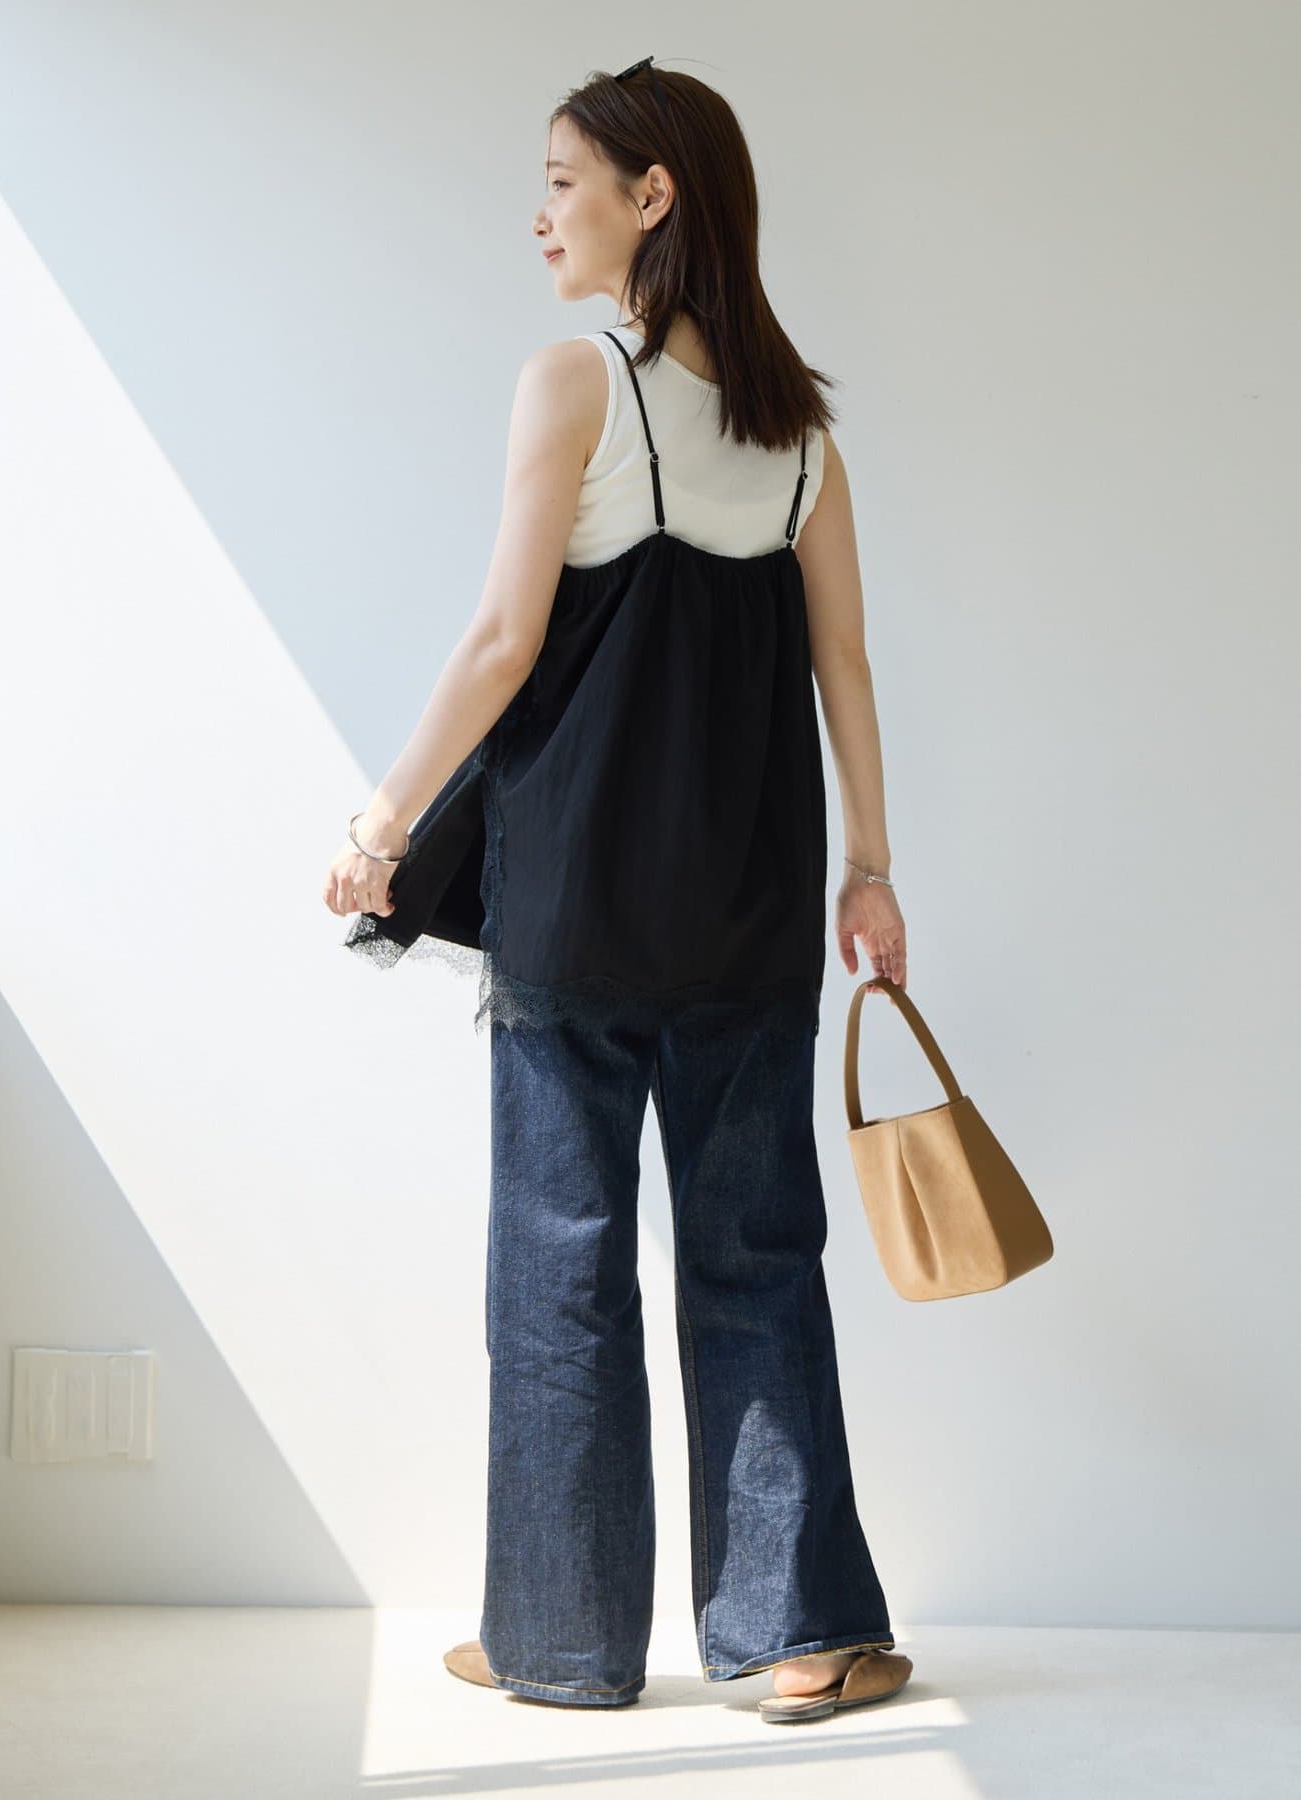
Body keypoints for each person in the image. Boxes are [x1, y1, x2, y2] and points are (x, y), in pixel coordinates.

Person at [323, 58, 913, 1725]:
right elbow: (845, 666)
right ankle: (798, 1635)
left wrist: (381, 822)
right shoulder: (800, 439)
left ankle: (561, 1641)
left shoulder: (574, 385)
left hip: (577, 905)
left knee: (560, 1273)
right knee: (758, 1258)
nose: (541, 213)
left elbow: (503, 642)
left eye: (563, 180)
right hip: (749, 912)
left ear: (653, 198)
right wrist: (871, 871)